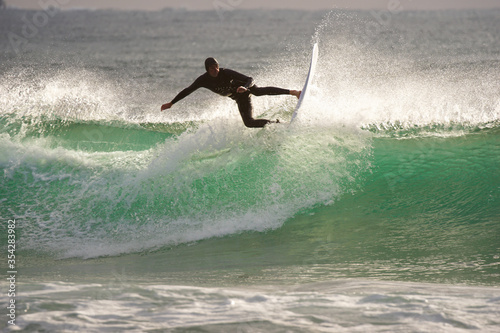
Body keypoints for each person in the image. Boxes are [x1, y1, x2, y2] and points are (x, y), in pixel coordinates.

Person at [161, 57, 301, 128]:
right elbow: (188, 90)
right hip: (239, 99)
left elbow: (249, 79)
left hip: (244, 88)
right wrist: (171, 103)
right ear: (207, 70)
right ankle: (279, 124)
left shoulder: (225, 72)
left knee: (257, 91)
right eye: (211, 68)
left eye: (216, 66)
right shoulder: (203, 80)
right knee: (249, 123)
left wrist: (245, 87)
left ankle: (294, 92)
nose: (215, 70)